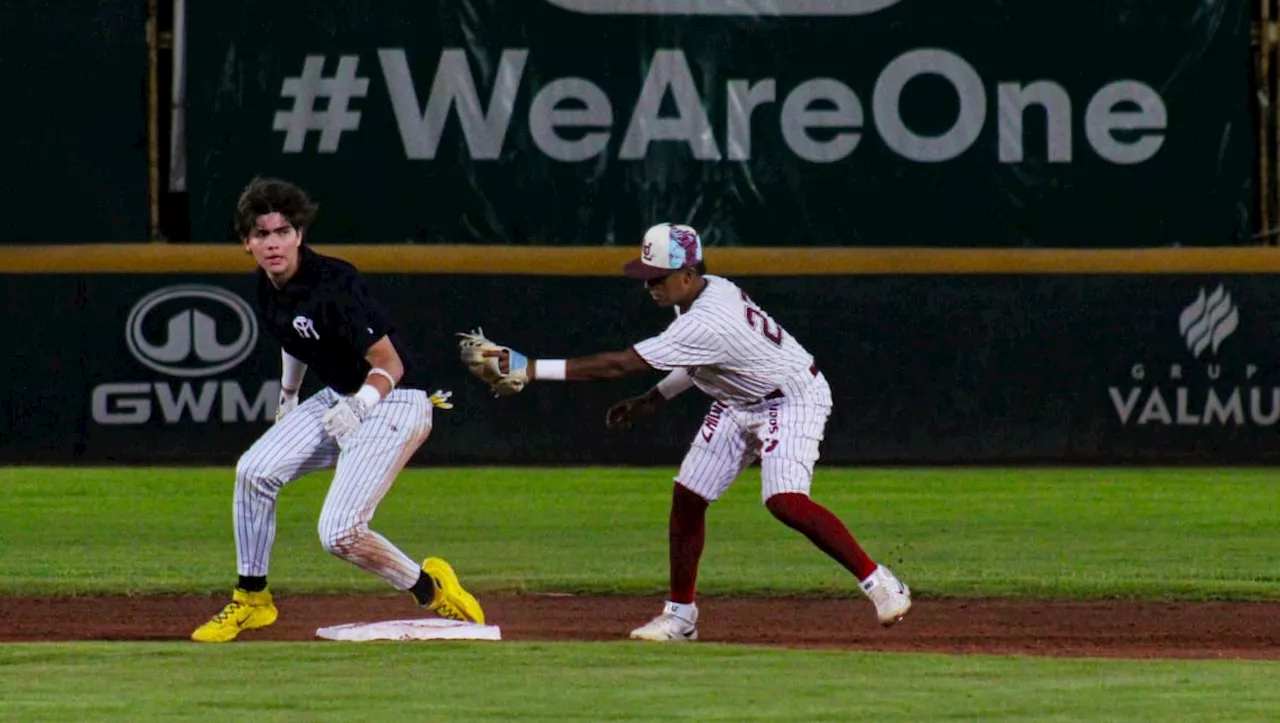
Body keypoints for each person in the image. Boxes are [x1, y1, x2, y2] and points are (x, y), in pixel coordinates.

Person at [460, 222, 911, 642]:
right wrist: (650, 401)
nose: (650, 285)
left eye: (659, 276)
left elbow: (621, 364)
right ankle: (680, 616)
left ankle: (880, 581)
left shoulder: (708, 318)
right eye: (647, 276)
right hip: (739, 401)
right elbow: (698, 364)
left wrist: (530, 368)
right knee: (688, 495)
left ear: (689, 273)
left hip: (791, 399)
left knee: (785, 501)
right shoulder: (707, 295)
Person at [191, 177, 484, 643]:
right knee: (253, 471)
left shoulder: (335, 282)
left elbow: (391, 362)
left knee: (339, 533)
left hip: (396, 399)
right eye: (262, 234)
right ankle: (252, 599)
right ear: (246, 242)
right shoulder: (267, 286)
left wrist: (361, 407)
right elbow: (296, 338)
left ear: (300, 235)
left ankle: (432, 589)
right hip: (339, 396)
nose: (273, 243)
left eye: (283, 231)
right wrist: (288, 396)